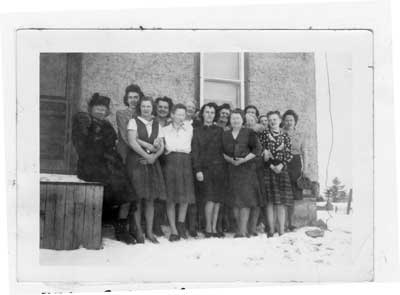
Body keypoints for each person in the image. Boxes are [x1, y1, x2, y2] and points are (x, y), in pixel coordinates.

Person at [71, 93, 137, 244]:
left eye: (103, 109)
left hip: (110, 164)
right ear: (91, 109)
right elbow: (83, 148)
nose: (101, 112)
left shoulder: (106, 124)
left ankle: (121, 229)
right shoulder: (83, 121)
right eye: (97, 109)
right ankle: (94, 227)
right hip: (91, 165)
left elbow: (112, 145)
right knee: (109, 189)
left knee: (127, 191)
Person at [126, 96, 167, 244]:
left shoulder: (157, 124)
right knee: (138, 198)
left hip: (152, 163)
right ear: (140, 108)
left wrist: (154, 156)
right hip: (137, 162)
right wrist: (146, 155)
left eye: (148, 106)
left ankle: (149, 231)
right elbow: (132, 141)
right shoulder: (133, 121)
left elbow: (161, 145)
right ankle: (138, 231)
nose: (146, 109)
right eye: (143, 106)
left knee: (150, 199)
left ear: (152, 108)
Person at [222, 109, 262, 238]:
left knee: (245, 200)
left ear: (242, 119)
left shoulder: (249, 133)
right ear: (230, 120)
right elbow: (220, 151)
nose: (235, 120)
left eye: (238, 118)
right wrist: (231, 160)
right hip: (232, 170)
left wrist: (244, 160)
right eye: (233, 118)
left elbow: (257, 149)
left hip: (246, 170)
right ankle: (239, 228)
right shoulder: (225, 134)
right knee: (235, 200)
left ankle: (243, 230)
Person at [160, 104, 196, 242]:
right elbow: (163, 147)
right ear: (172, 114)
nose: (181, 117)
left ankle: (181, 225)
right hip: (171, 161)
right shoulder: (165, 129)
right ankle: (173, 229)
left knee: (185, 196)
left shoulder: (189, 128)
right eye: (178, 114)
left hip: (185, 160)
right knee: (171, 196)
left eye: (183, 115)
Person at [192, 102, 227, 238]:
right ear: (202, 114)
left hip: (219, 168)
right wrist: (198, 170)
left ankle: (214, 226)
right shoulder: (196, 131)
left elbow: (223, 149)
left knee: (217, 199)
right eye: (207, 112)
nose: (209, 115)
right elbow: (195, 152)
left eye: (212, 112)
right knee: (209, 198)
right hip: (204, 169)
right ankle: (208, 227)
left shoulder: (219, 130)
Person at [259, 111, 294, 237]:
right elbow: (261, 151)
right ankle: (271, 229)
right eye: (270, 120)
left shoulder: (285, 136)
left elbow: (289, 154)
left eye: (275, 119)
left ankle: (281, 230)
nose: (272, 122)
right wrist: (271, 165)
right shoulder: (263, 135)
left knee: (281, 202)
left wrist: (281, 165)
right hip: (269, 169)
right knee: (270, 201)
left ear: (280, 121)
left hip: (281, 169)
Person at [282, 109, 307, 231]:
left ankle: (290, 222)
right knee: (283, 193)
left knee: (292, 194)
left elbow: (304, 152)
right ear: (283, 121)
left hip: (296, 163)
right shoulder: (279, 133)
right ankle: (282, 223)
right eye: (286, 120)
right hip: (282, 163)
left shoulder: (301, 135)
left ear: (295, 121)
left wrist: (305, 168)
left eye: (291, 120)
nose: (289, 122)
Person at [152, 96, 174, 236]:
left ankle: (157, 224)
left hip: (167, 160)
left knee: (163, 193)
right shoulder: (151, 121)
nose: (162, 109)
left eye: (165, 107)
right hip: (153, 158)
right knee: (152, 191)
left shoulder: (172, 123)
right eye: (160, 106)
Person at [244, 113, 266, 236]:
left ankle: (253, 227)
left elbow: (265, 147)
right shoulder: (242, 133)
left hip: (259, 167)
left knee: (258, 198)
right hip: (246, 168)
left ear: (256, 121)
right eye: (247, 120)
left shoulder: (261, 133)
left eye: (252, 120)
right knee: (247, 198)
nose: (249, 122)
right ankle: (245, 227)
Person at [116, 84, 143, 163]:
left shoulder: (143, 114)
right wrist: (143, 151)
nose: (133, 100)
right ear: (126, 99)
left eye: (136, 97)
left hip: (141, 150)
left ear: (140, 98)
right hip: (125, 150)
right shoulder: (121, 114)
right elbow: (125, 136)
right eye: (130, 97)